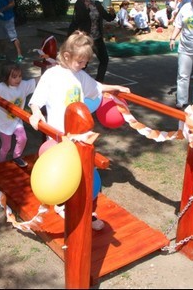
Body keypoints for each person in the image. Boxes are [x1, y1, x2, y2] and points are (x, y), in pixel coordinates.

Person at [28, 31, 130, 231]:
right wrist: (35, 113)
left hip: (81, 135)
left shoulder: (81, 76)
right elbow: (37, 98)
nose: (83, 65)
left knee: (86, 174)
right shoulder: (52, 75)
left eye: (85, 62)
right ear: (66, 56)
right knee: (64, 172)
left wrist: (115, 88)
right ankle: (60, 203)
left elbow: (97, 88)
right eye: (80, 61)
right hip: (59, 135)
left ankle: (89, 212)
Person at [67, 0, 116, 82]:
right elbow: (79, 19)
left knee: (104, 60)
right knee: (83, 63)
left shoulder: (97, 4)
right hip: (85, 39)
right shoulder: (79, 4)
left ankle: (99, 82)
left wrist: (112, 13)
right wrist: (86, 8)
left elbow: (108, 17)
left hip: (97, 38)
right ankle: (78, 81)